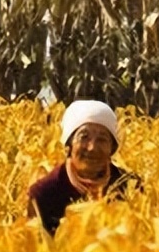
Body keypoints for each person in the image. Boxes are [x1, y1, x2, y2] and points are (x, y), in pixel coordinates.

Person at [28, 100, 141, 235]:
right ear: (69, 144)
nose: (92, 147)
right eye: (84, 137)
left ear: (112, 148)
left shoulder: (131, 187)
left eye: (102, 139)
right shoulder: (44, 194)